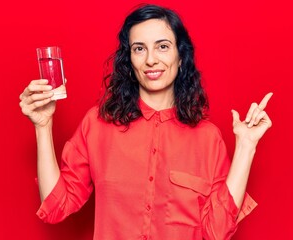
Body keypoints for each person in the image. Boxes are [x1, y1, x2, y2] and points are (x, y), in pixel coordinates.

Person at [19, 4, 272, 240]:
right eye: (139, 48)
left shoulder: (208, 138)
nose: (151, 59)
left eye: (162, 46)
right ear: (129, 60)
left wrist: (246, 147)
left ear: (181, 57)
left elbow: (217, 231)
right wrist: (43, 126)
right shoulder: (97, 125)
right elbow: (55, 207)